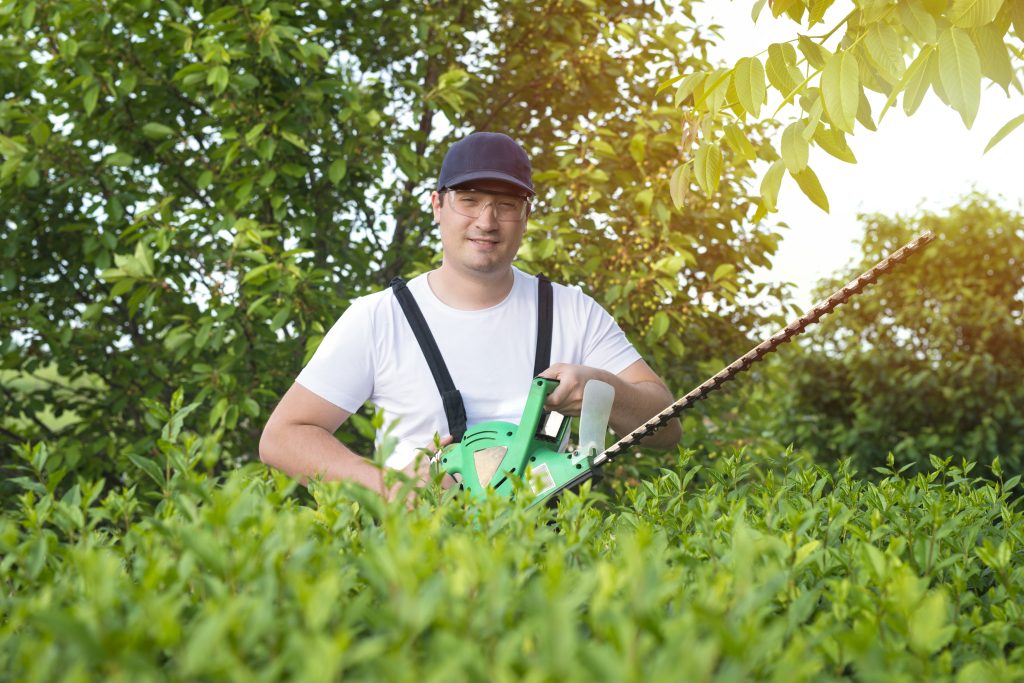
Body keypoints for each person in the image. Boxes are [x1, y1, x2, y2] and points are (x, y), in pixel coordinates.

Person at [259, 132, 681, 500]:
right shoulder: (378, 318)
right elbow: (282, 437)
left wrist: (603, 389)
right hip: (417, 556)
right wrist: (387, 488)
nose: (487, 221)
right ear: (437, 205)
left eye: (506, 204)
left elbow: (667, 428)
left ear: (526, 215)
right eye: (470, 201)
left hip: (548, 555)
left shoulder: (574, 312)